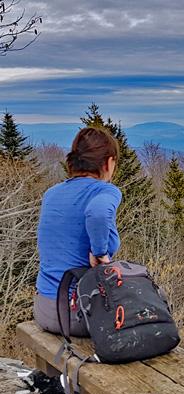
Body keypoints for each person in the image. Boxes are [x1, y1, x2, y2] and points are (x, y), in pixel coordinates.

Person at [35, 126, 121, 336]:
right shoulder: (105, 190)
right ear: (109, 162)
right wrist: (99, 252)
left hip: (44, 309)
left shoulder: (51, 193)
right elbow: (98, 213)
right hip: (78, 315)